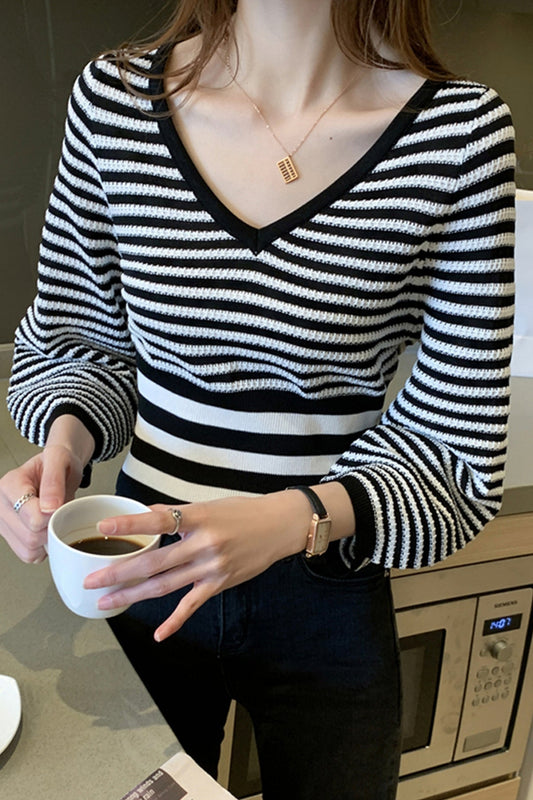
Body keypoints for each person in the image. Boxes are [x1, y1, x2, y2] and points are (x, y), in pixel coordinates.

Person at [1, 1, 515, 798]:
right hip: (135, 564)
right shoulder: (114, 103)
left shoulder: (457, 135)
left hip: (326, 582)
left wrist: (289, 519)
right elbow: (77, 342)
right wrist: (65, 445)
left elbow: (456, 456)